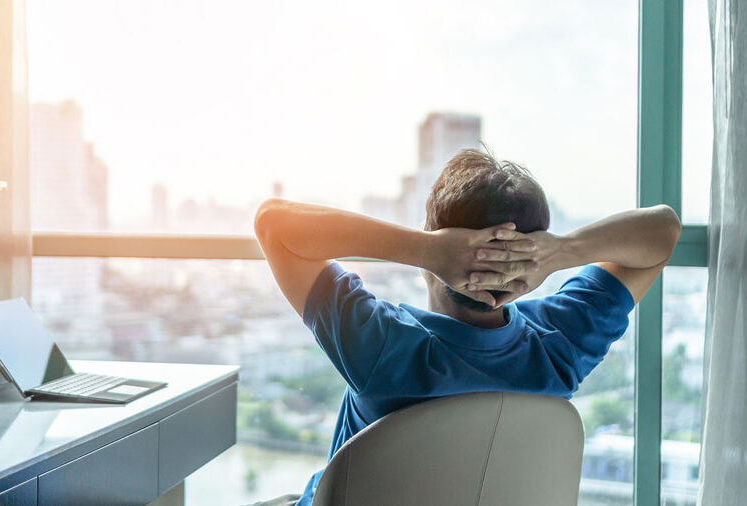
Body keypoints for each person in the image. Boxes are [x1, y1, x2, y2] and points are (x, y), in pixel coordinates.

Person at [250, 148, 681, 506]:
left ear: (433, 237)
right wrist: (560, 252)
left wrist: (425, 250)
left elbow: (273, 223)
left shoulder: (381, 346)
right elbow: (664, 229)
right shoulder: (559, 346)